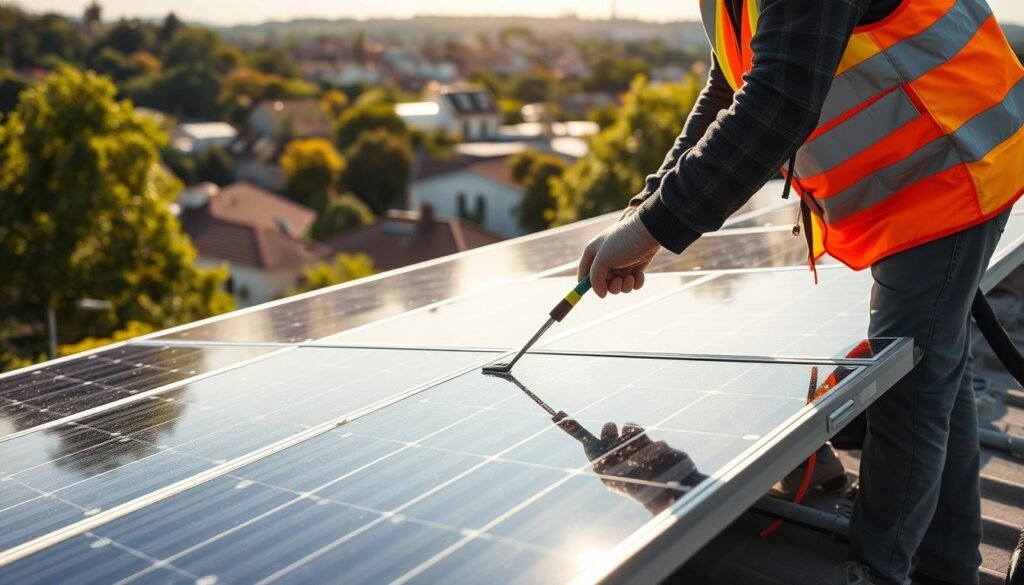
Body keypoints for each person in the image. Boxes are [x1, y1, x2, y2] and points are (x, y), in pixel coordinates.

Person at [575, 1, 1024, 584]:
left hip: (952, 158)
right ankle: (948, 566)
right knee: (931, 364)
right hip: (914, 174)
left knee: (909, 377)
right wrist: (649, 208)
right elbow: (730, 88)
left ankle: (878, 570)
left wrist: (653, 227)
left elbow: (779, 99)